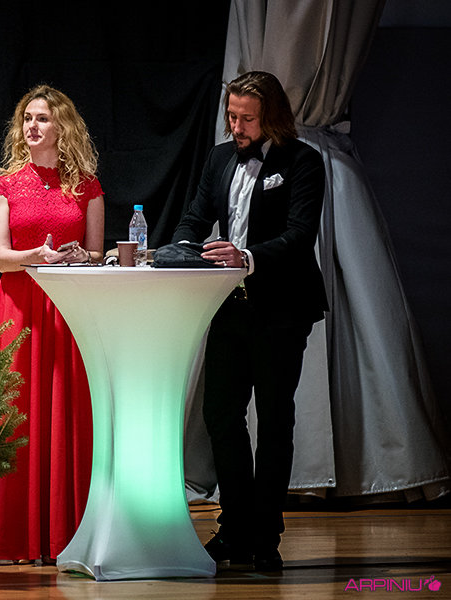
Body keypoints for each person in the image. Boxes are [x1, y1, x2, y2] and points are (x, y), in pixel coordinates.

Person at [171, 71, 327, 571]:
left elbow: (299, 236)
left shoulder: (303, 162)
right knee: (220, 415)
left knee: (275, 421)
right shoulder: (220, 158)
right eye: (232, 116)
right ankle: (235, 528)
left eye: (247, 119)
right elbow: (196, 218)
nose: (236, 127)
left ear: (272, 117)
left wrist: (247, 257)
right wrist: (176, 250)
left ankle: (267, 536)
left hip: (282, 310)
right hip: (230, 307)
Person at [0, 84, 104, 565]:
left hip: (68, 309)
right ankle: (12, 535)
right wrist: (37, 256)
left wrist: (76, 257)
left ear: (61, 126)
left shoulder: (87, 186)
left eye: (43, 118)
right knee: (14, 414)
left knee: (65, 413)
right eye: (27, 118)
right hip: (19, 307)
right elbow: (0, 258)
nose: (32, 126)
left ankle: (66, 533)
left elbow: (97, 253)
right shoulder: (5, 185)